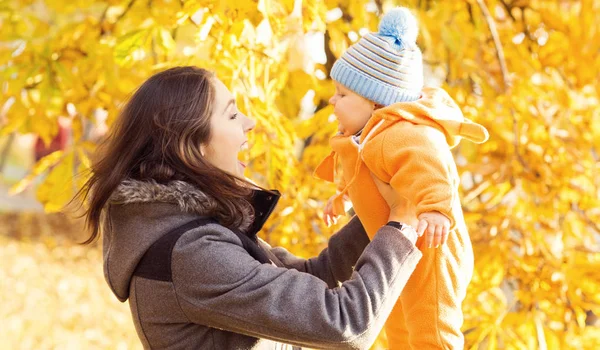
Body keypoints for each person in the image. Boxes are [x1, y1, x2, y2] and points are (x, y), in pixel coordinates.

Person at [77, 66, 424, 349]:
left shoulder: (192, 230)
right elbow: (344, 322)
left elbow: (313, 277)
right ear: (190, 146)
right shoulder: (191, 253)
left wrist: (379, 208)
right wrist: (401, 225)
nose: (249, 123)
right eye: (231, 115)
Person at [313, 7, 489, 350]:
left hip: (433, 247)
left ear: (377, 104)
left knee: (431, 326)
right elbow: (367, 176)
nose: (333, 101)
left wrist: (437, 209)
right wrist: (342, 197)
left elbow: (431, 166)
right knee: (395, 320)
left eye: (343, 94)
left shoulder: (402, 134)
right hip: (401, 247)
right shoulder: (369, 135)